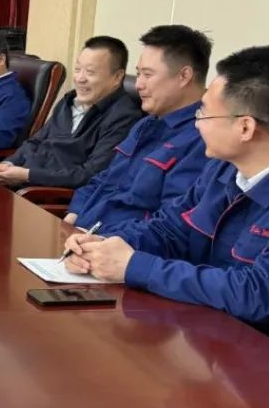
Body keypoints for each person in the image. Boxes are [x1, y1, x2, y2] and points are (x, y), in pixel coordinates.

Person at [63, 46, 269, 327]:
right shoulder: (221, 170)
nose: (197, 124)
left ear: (245, 128)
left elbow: (256, 293)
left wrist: (135, 266)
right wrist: (104, 246)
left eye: (204, 113)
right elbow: (169, 229)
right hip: (201, 329)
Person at [64, 26, 211, 228]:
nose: (139, 84)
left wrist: (102, 241)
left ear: (184, 76)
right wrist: (73, 215)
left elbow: (170, 223)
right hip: (82, 232)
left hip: (118, 242)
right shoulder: (146, 124)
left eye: (147, 75)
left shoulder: (204, 139)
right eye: (138, 73)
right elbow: (105, 179)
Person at [0, 36, 142, 189]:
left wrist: (28, 175)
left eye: (90, 72)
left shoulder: (124, 118)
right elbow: (35, 142)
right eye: (77, 69)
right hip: (23, 180)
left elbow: (91, 174)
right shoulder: (69, 101)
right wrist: (9, 163)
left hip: (44, 193)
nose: (80, 79)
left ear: (117, 77)